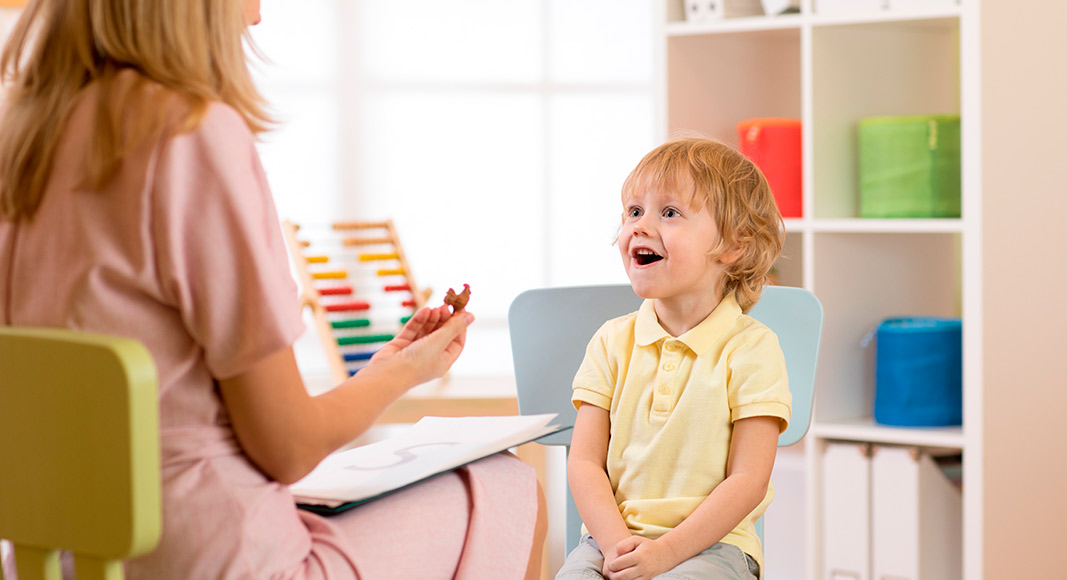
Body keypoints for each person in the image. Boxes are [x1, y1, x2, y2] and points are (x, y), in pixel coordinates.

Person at [0, 1, 545, 579]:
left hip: (60, 556)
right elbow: (284, 448)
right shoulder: (190, 133)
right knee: (507, 481)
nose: (255, 17)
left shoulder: (21, 131)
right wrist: (403, 370)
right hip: (206, 556)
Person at [555, 138, 790, 580]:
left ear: (733, 245)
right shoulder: (610, 342)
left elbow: (748, 481)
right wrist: (616, 549)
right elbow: (585, 462)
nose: (640, 227)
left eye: (669, 212)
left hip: (714, 548)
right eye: (633, 211)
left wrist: (664, 554)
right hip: (608, 540)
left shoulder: (752, 349)